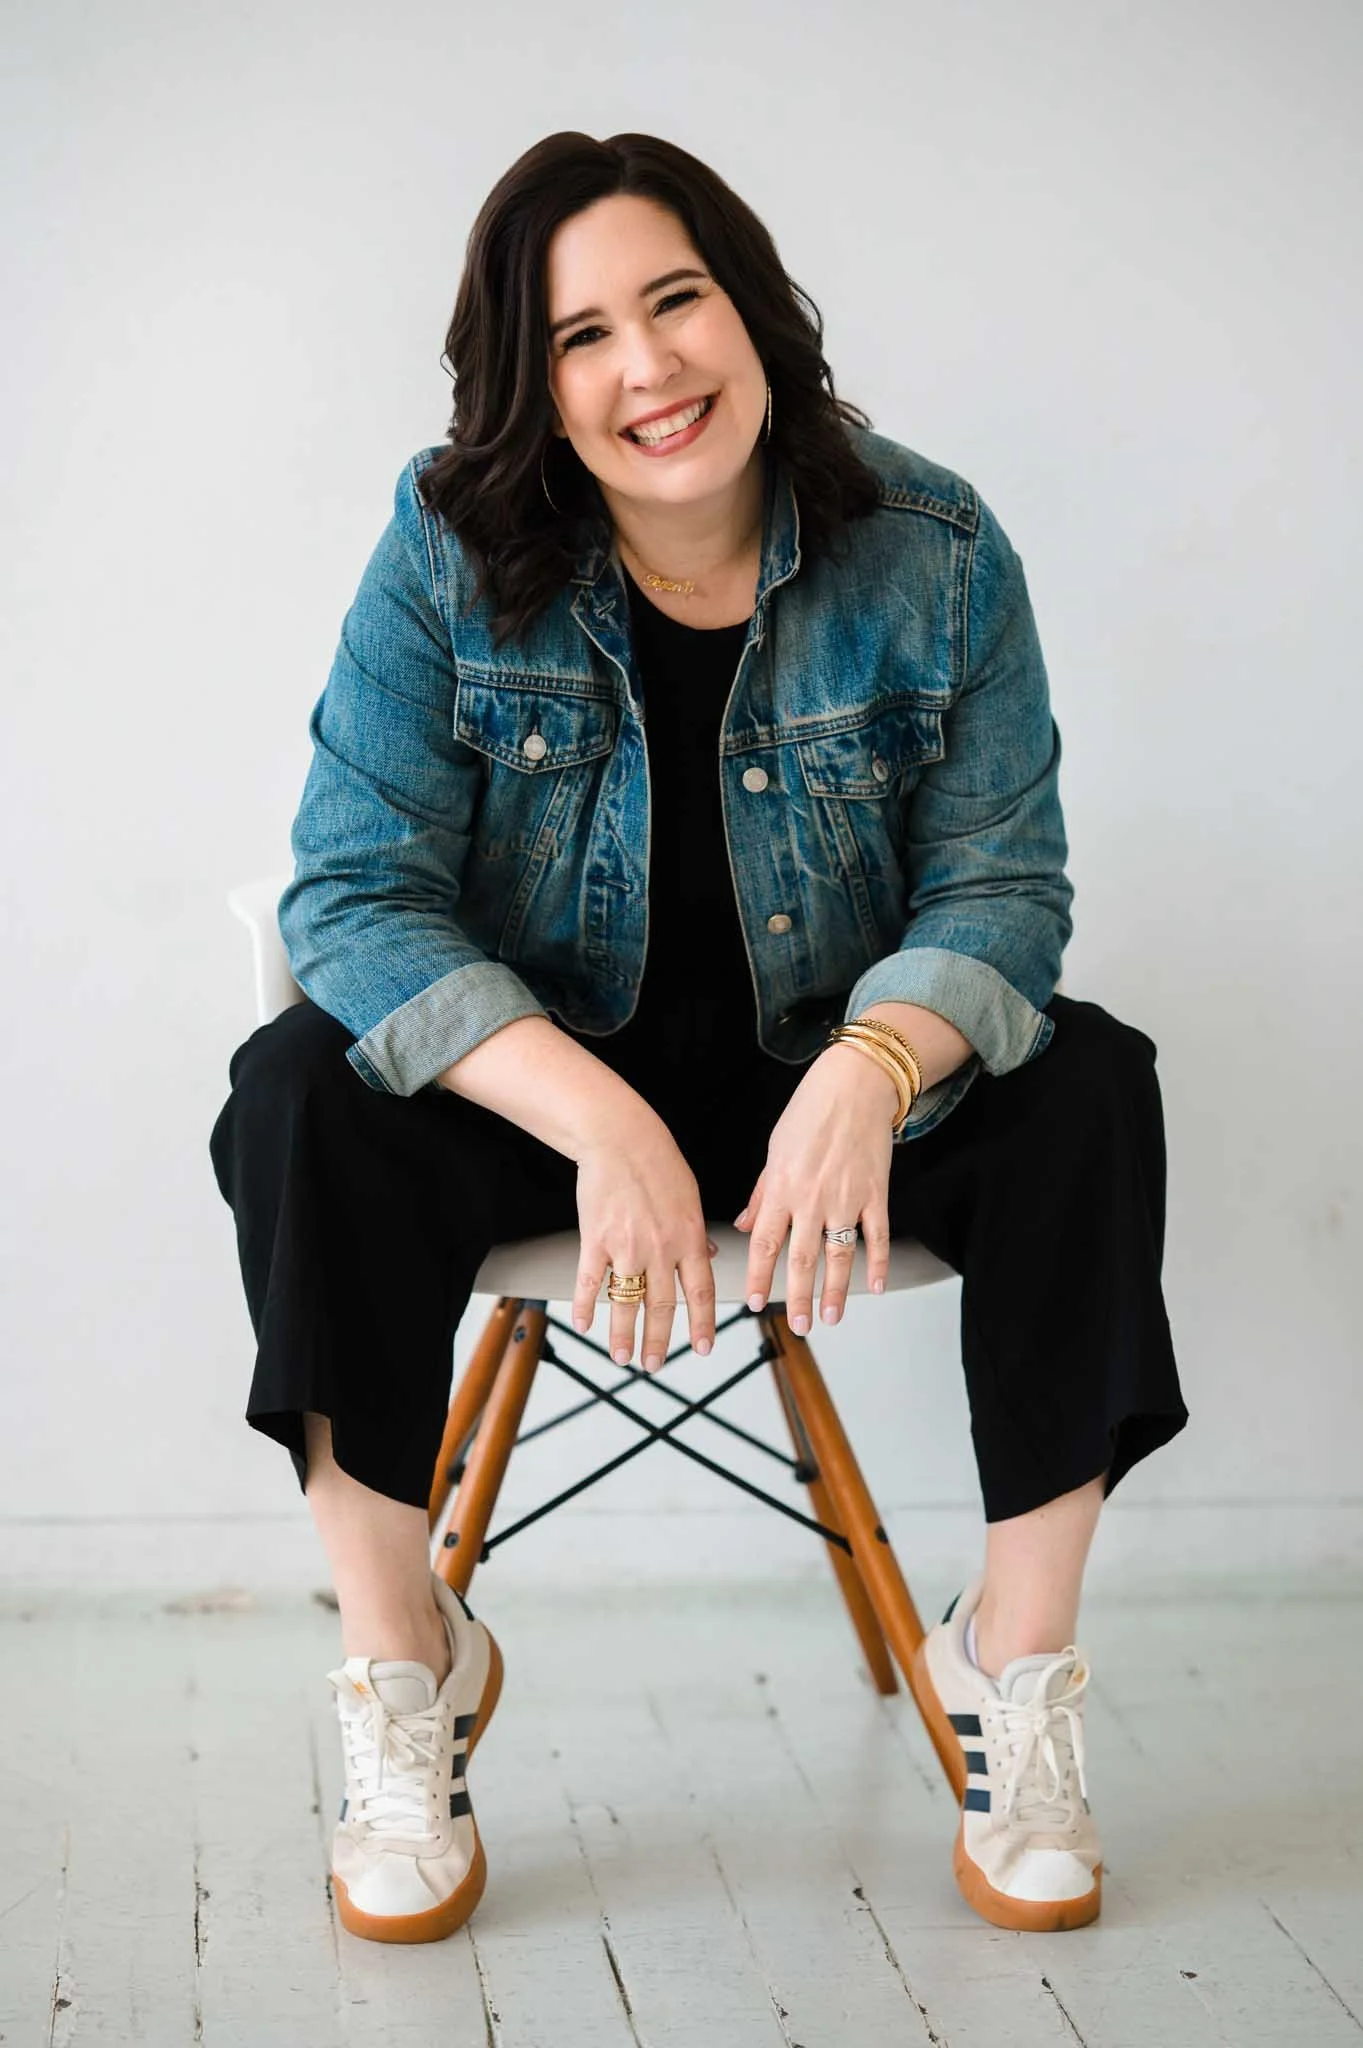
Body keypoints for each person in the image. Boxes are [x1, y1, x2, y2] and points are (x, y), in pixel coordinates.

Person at [209, 129, 1187, 1947]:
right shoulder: (446, 547)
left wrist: (870, 1069)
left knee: (1092, 1084)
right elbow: (349, 897)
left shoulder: (933, 548)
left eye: (675, 300)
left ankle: (1012, 1672)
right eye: (582, 336)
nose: (646, 368)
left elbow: (1002, 894)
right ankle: (403, 1660)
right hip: (542, 1083)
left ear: (752, 307)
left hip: (826, 1079)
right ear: (533, 384)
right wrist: (597, 1119)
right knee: (292, 1097)